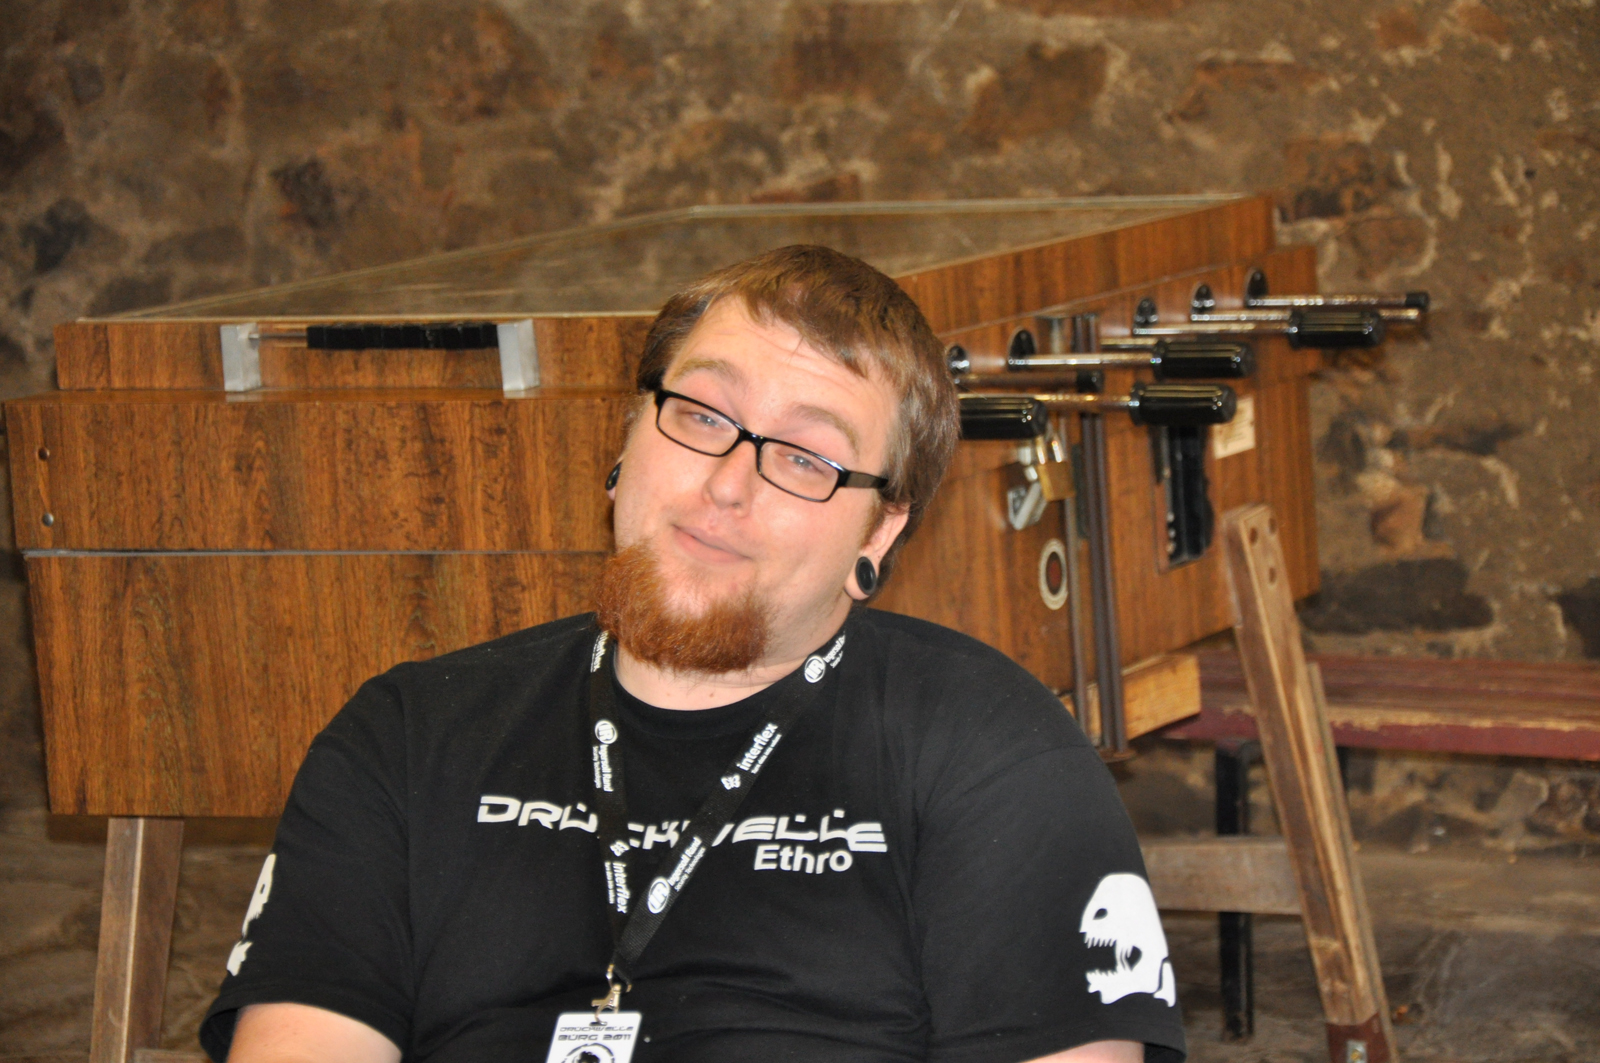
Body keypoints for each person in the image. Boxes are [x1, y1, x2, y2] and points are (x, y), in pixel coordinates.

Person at [202, 245, 1187, 1063]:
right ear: (628, 437)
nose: (727, 483)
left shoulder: (995, 755)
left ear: (880, 532)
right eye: (704, 415)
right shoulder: (408, 735)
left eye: (805, 457)